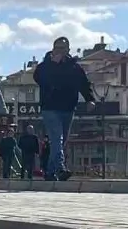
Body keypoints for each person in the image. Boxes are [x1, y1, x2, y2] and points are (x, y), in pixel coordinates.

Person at [33, 36, 96, 181]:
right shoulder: (45, 65)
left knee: (61, 141)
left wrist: (90, 100)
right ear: (53, 49)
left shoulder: (74, 67)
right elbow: (39, 78)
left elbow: (84, 84)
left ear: (68, 50)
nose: (59, 51)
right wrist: (53, 66)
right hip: (50, 108)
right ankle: (61, 168)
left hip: (68, 108)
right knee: (56, 138)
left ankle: (49, 172)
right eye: (57, 48)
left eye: (63, 48)